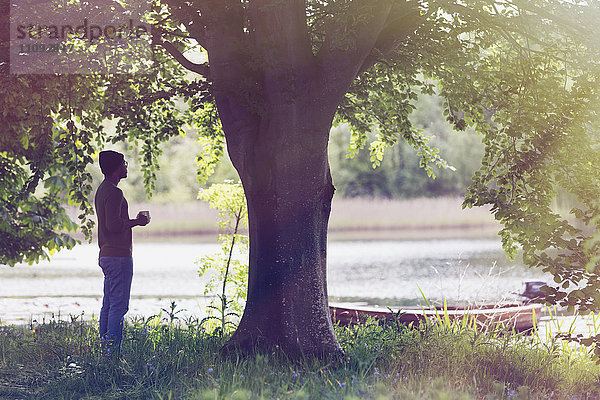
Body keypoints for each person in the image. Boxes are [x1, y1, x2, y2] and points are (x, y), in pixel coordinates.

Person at [95, 150, 150, 356]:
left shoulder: (102, 190)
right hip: (118, 256)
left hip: (106, 254)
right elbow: (113, 225)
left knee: (108, 305)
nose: (126, 166)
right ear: (117, 167)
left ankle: (104, 351)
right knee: (118, 306)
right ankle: (112, 355)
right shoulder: (115, 192)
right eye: (124, 163)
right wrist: (137, 221)